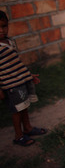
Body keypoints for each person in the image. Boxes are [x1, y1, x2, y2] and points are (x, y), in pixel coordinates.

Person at [0, 11, 47, 146]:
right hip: (10, 85)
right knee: (16, 110)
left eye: (4, 26)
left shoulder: (10, 42)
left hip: (21, 81)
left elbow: (16, 63)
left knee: (24, 106)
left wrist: (28, 75)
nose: (2, 30)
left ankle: (28, 128)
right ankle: (18, 135)